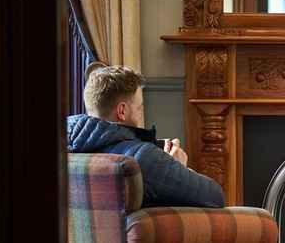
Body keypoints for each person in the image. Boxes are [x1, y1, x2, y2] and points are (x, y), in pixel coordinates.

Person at [67, 65, 225, 208]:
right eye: (139, 108)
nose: (141, 114)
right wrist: (179, 168)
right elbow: (215, 196)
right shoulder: (144, 158)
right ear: (122, 111)